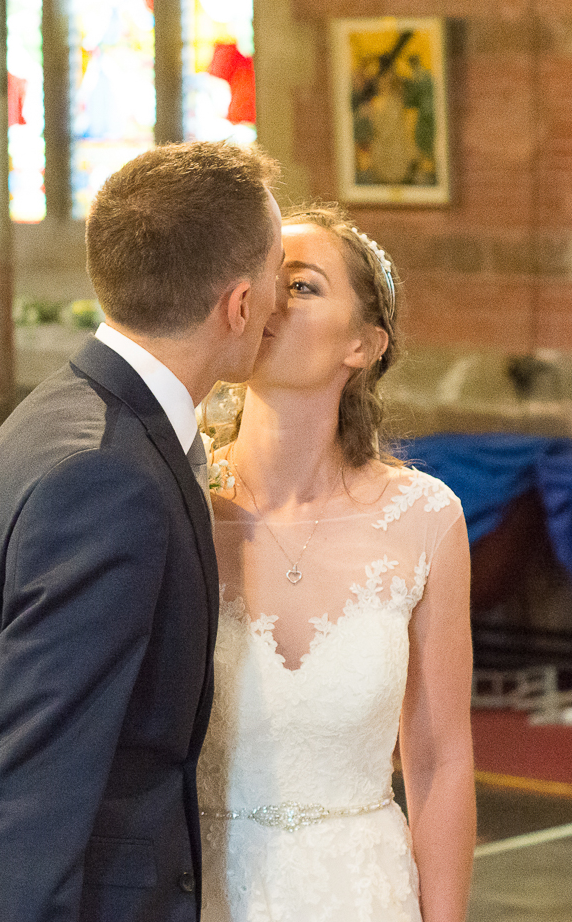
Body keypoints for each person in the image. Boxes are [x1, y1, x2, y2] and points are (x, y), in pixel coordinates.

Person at [0, 141, 283, 922]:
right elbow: (33, 796)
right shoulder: (105, 481)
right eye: (279, 273)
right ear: (240, 304)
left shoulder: (70, 413)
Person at [196, 205, 475, 921]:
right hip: (204, 890)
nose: (270, 302)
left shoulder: (422, 519)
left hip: (362, 895)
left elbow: (441, 760)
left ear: (364, 344)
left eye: (303, 285)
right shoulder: (181, 503)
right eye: (263, 281)